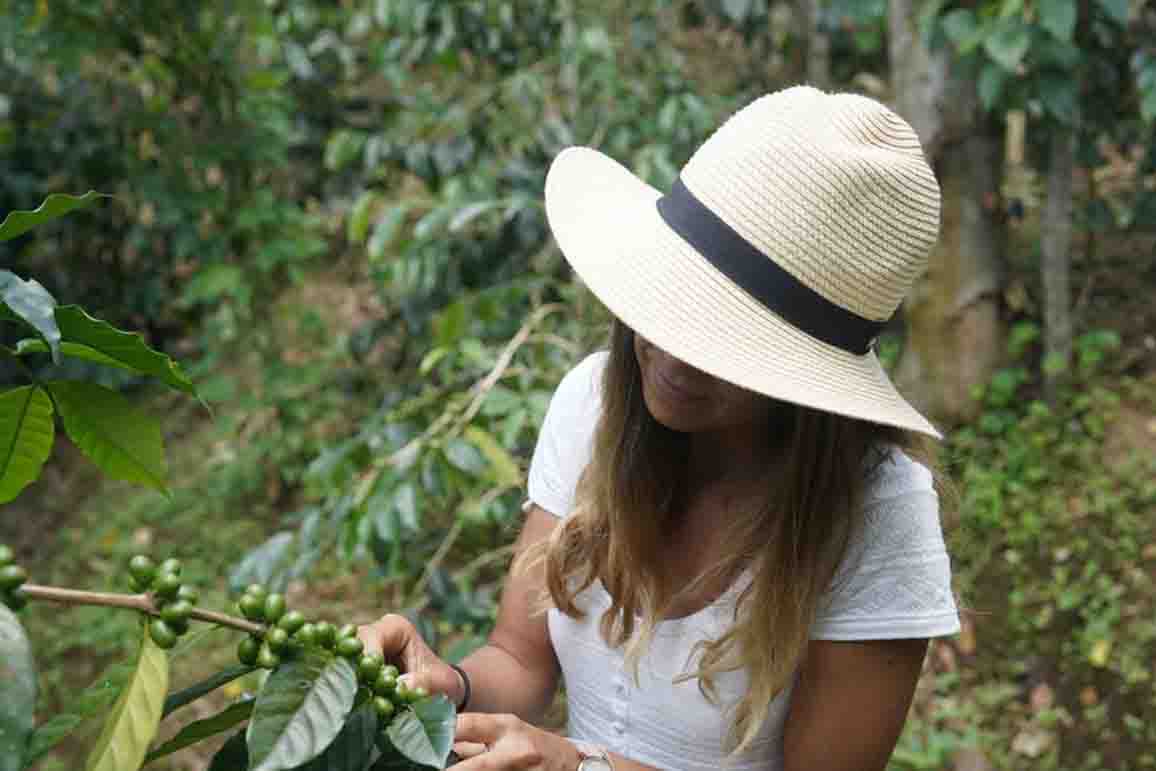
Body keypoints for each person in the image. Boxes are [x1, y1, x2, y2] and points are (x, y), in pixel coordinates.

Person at [359, 85, 960, 771]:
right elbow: (520, 658)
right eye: (669, 304)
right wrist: (450, 686)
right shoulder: (593, 402)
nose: (671, 356)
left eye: (724, 338)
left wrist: (586, 767)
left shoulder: (876, 511)